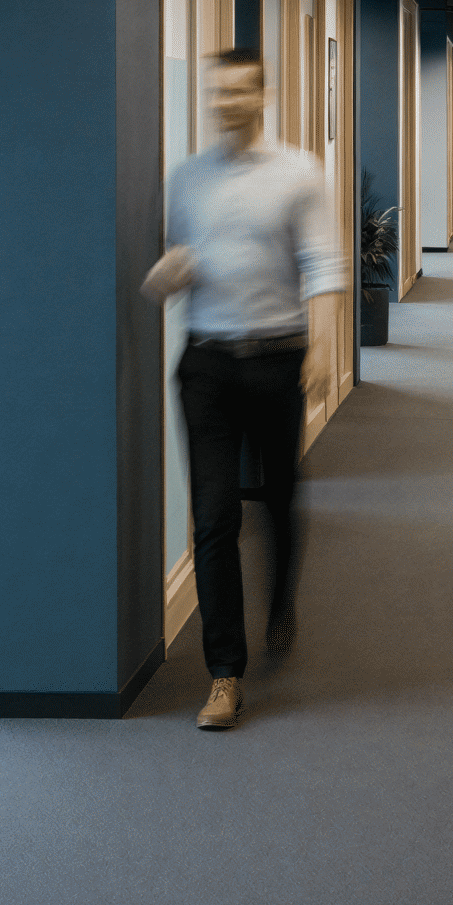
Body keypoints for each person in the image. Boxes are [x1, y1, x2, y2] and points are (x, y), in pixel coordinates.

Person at [144, 48, 347, 732]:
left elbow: (324, 266)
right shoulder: (186, 179)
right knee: (214, 517)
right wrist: (166, 275)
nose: (225, 102)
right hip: (206, 364)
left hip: (277, 359)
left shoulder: (298, 172)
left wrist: (322, 348)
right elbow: (174, 262)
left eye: (238, 91)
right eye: (217, 92)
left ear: (261, 96)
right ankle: (224, 673)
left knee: (280, 496)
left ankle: (281, 598)